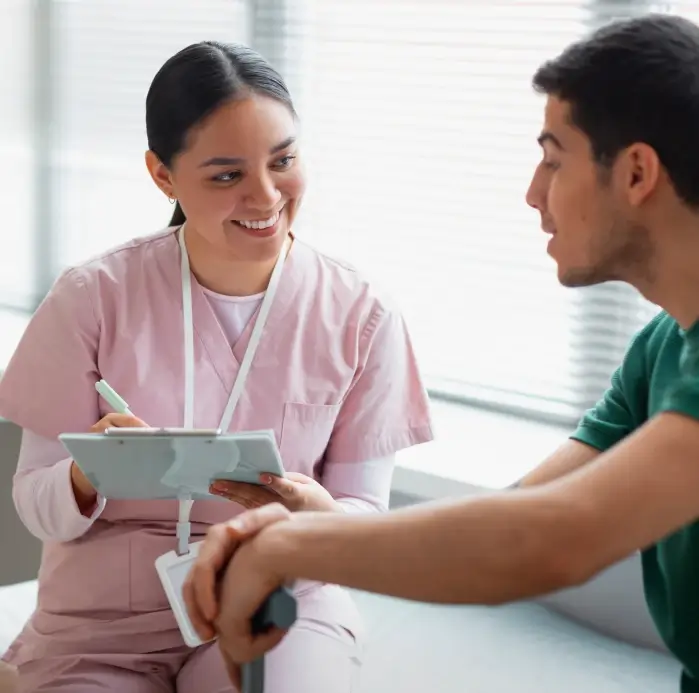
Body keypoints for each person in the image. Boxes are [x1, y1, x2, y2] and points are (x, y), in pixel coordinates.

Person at [184, 13, 699, 693]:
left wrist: (288, 546)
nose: (532, 192)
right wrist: (326, 524)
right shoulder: (660, 349)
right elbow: (516, 515)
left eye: (553, 157)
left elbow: (552, 540)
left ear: (635, 172)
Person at [0, 41, 433, 693]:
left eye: (282, 161)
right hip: (101, 625)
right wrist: (88, 474)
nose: (265, 196)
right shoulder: (91, 297)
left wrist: (318, 513)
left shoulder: (361, 313)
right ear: (163, 175)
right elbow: (38, 506)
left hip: (275, 600)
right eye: (226, 175)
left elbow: (361, 513)